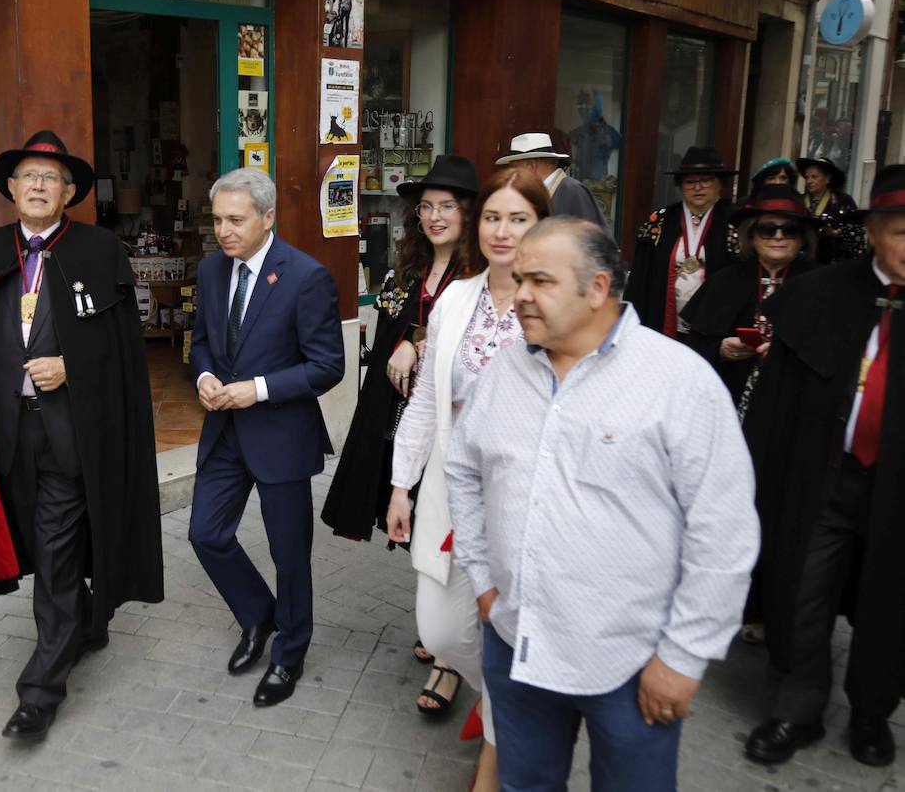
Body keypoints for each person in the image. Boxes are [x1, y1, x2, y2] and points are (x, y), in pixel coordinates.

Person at [448, 217, 759, 791]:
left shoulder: (678, 381)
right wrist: (484, 580)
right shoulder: (504, 371)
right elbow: (463, 471)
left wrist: (684, 657)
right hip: (518, 645)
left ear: (596, 289)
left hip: (632, 664)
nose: (519, 295)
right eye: (518, 279)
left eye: (539, 280)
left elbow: (724, 531)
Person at [0, 130, 164, 742]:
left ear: (70, 192)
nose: (37, 185)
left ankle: (40, 692)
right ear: (9, 187)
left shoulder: (101, 251)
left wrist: (71, 368)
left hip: (69, 436)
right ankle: (88, 617)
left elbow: (123, 350)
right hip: (6, 437)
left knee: (52, 557)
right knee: (36, 540)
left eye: (50, 178)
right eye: (27, 175)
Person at [387, 166, 552, 788]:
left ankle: (502, 737)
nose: (502, 230)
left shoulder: (556, 301)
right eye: (492, 217)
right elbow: (428, 401)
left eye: (519, 218)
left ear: (542, 226)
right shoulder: (456, 297)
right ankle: (500, 698)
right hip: (451, 491)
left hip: (525, 499)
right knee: (441, 629)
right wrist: (403, 484)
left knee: (508, 626)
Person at [742, 165, 905, 768]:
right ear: (876, 232)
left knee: (890, 599)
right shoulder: (818, 294)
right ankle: (796, 709)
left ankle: (871, 711)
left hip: (898, 489)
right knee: (802, 589)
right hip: (823, 476)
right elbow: (774, 406)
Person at [187, 168, 344, 707]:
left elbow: (328, 366)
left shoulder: (306, 276)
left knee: (289, 555)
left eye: (236, 220)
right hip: (225, 433)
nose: (224, 231)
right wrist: (205, 376)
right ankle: (258, 615)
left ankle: (290, 652)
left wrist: (257, 389)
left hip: (280, 435)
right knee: (205, 534)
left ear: (268, 216)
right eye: (217, 220)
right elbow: (203, 342)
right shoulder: (211, 271)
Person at [321, 155, 477, 676]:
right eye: (427, 207)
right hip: (402, 418)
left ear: (468, 213)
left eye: (447, 207)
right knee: (422, 520)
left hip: (455, 422)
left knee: (451, 524)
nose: (434, 217)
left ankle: (448, 651)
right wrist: (404, 339)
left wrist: (418, 340)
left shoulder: (480, 273)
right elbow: (388, 335)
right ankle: (437, 625)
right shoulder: (407, 267)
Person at [682, 183, 821, 415]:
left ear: (803, 238)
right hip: (731, 402)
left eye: (790, 230)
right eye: (767, 229)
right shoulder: (724, 281)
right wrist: (720, 348)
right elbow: (694, 348)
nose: (778, 237)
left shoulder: (821, 283)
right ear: (751, 235)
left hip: (797, 406)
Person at [626, 145, 739, 338]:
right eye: (690, 182)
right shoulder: (662, 220)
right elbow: (640, 278)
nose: (697, 187)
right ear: (680, 185)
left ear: (720, 183)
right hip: (663, 325)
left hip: (715, 329)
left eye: (705, 181)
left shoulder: (736, 221)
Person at [494, 131, 606, 229]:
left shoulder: (572, 190)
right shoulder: (541, 192)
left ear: (532, 166)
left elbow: (594, 244)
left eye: (515, 168)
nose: (513, 174)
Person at [798, 156, 867, 264]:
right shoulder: (799, 201)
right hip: (803, 262)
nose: (809, 181)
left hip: (832, 263)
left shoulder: (843, 201)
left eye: (814, 177)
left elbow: (856, 235)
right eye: (807, 177)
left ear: (828, 178)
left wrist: (839, 234)